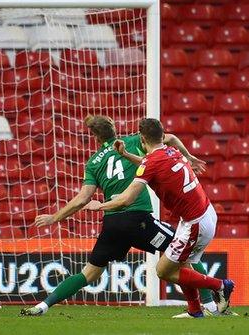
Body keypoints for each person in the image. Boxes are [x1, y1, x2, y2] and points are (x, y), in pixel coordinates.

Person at [21, 115, 212, 317]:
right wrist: (188, 157)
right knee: (185, 251)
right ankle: (209, 305)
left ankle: (43, 305)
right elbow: (170, 139)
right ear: (113, 129)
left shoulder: (93, 163)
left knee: (88, 273)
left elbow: (82, 199)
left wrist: (54, 218)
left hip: (112, 224)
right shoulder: (131, 141)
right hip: (138, 221)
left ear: (95, 137)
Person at [85, 118, 235, 318]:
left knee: (163, 270)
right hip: (202, 214)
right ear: (162, 136)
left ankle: (220, 286)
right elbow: (149, 164)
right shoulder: (169, 151)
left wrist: (100, 205)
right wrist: (127, 154)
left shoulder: (153, 162)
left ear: (142, 137)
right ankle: (195, 310)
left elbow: (127, 199)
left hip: (195, 222)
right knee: (180, 263)